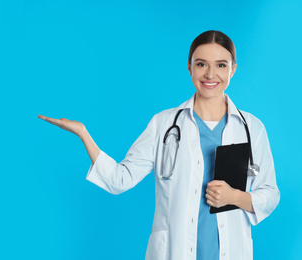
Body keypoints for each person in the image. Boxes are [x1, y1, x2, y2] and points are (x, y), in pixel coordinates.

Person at [38, 30, 280, 260]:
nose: (210, 74)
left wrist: (235, 197)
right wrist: (83, 133)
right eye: (201, 64)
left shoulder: (252, 128)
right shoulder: (163, 124)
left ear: (233, 70)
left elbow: (269, 194)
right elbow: (119, 180)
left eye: (221, 65)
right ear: (189, 67)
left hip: (229, 249)